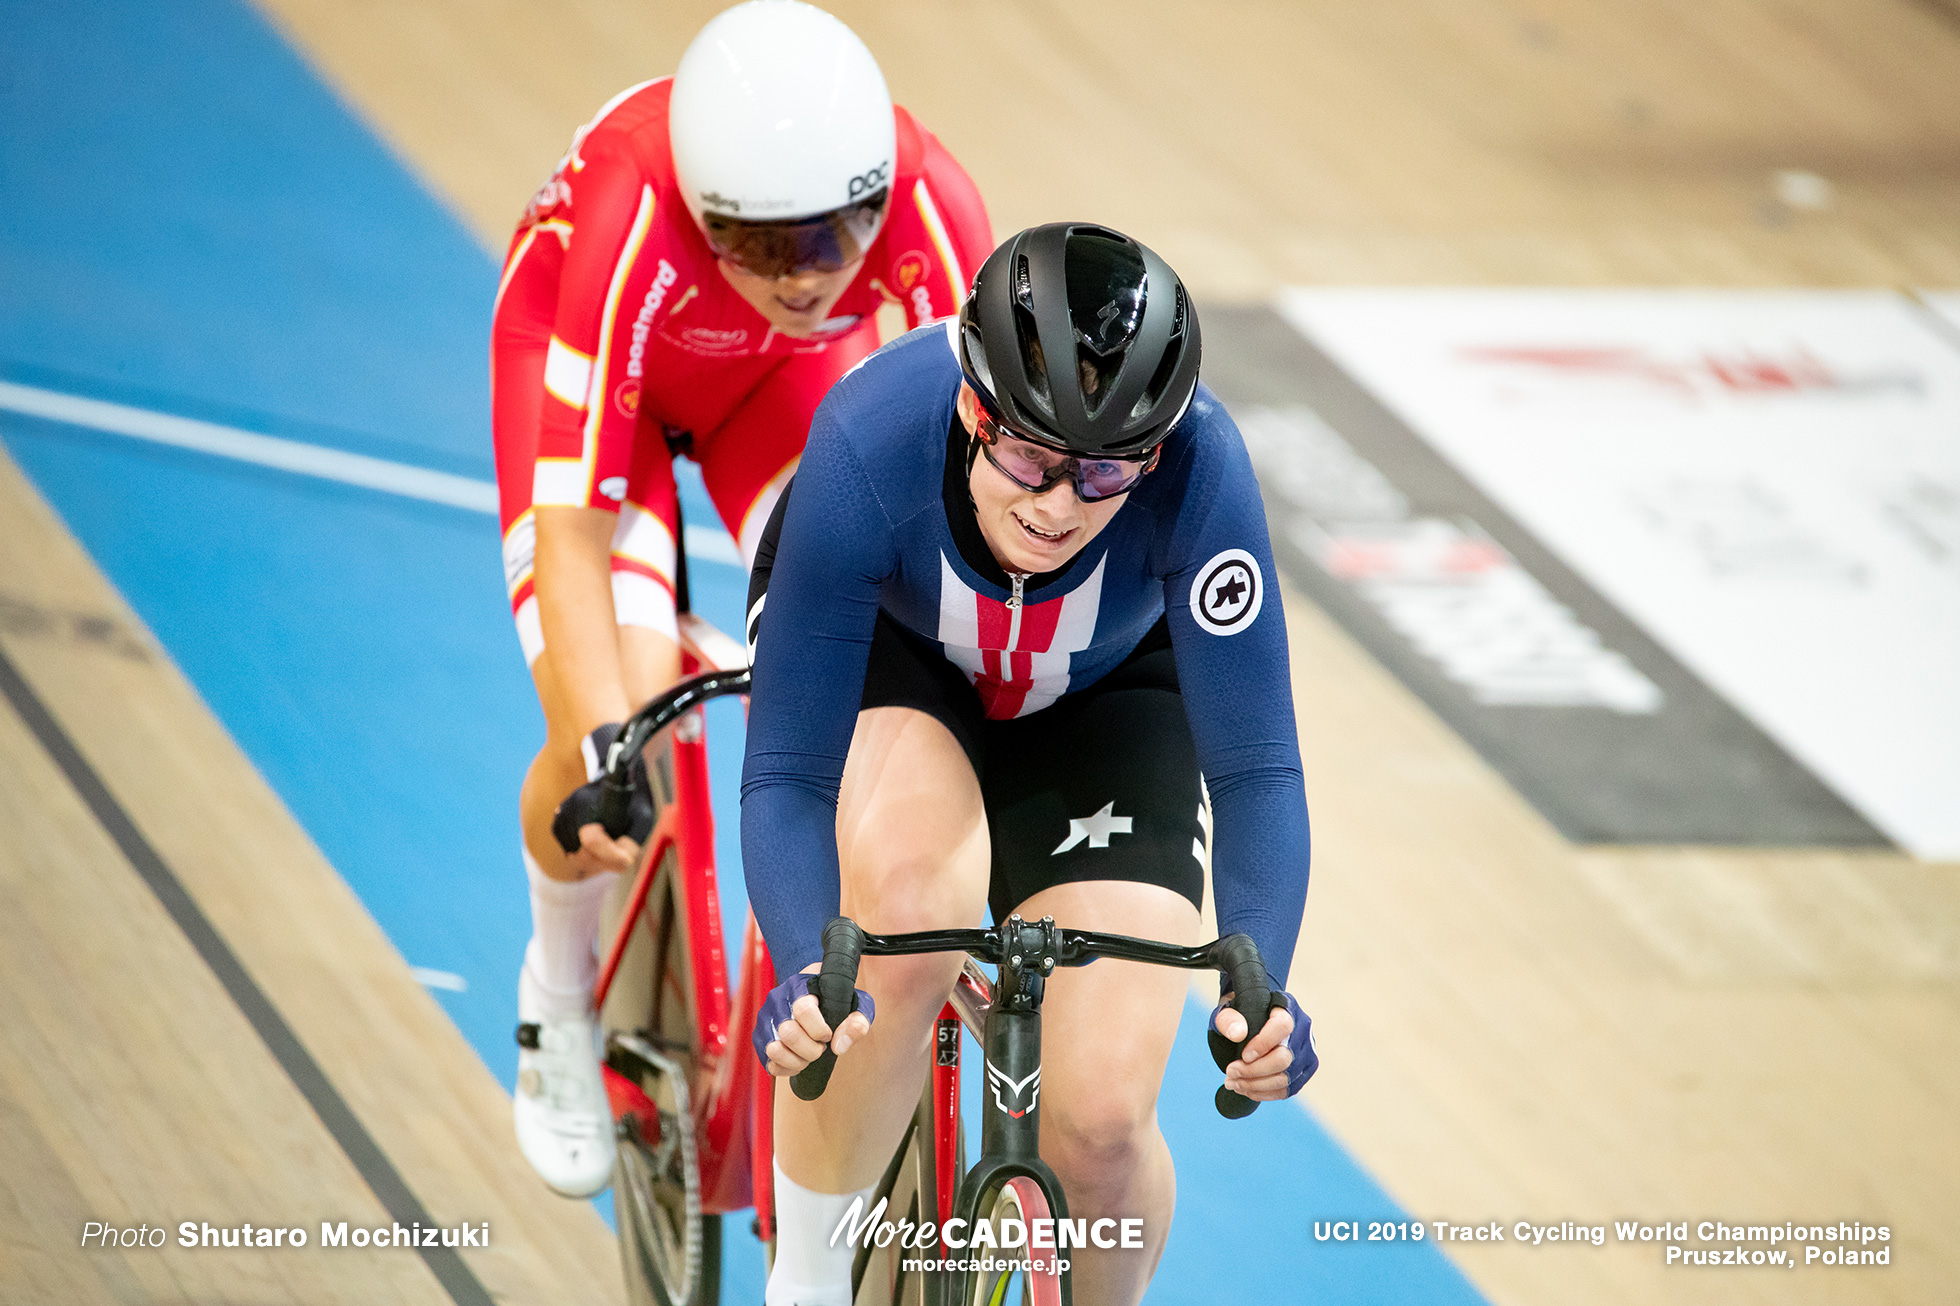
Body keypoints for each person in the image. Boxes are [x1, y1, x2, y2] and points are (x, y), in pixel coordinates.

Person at [740, 222, 1317, 1306]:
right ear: (970, 406)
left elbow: (1258, 773)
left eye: (1105, 472)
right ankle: (809, 1278)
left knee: (1099, 1127)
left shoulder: (1204, 472)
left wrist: (1262, 987)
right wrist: (798, 965)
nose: (1057, 505)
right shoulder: (869, 442)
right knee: (902, 923)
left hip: (1104, 695)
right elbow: (786, 779)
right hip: (901, 655)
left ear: (1154, 450)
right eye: (1026, 457)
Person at [490, 0, 991, 1198]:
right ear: (702, 209)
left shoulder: (932, 210)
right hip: (588, 374)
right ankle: (555, 999)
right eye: (764, 243)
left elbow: (968, 490)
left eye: (837, 237)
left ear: (880, 192)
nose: (810, 274)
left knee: (886, 626)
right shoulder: (626, 210)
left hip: (770, 383)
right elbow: (575, 525)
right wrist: (601, 730)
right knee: (615, 711)